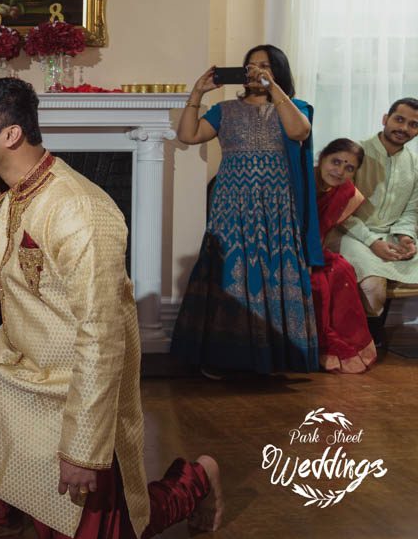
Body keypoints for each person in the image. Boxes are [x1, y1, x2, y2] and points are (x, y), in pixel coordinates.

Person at [0, 77, 222, 539]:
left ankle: (198, 479)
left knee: (116, 530)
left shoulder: (79, 210)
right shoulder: (8, 194)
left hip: (68, 388)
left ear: (10, 135)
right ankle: (0, 512)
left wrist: (83, 449)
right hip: (16, 360)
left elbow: (103, 336)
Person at [170, 45, 323, 375]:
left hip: (276, 209)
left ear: (278, 71)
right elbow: (188, 134)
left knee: (273, 271)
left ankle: (277, 358)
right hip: (232, 207)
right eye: (251, 66)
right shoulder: (225, 110)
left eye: (264, 66)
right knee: (231, 273)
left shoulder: (294, 108)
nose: (256, 71)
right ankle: (224, 358)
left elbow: (299, 131)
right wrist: (197, 93)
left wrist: (273, 88)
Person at [334, 97, 418, 318]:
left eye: (413, 124)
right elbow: (340, 210)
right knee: (374, 289)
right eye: (399, 119)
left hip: (391, 236)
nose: (404, 128)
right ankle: (368, 336)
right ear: (385, 119)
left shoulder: (415, 163)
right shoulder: (354, 154)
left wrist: (405, 237)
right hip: (350, 234)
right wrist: (372, 242)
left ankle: (374, 334)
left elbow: (410, 211)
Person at [311, 139, 377, 373]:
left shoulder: (346, 192)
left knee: (342, 270)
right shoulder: (302, 181)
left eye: (349, 168)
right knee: (317, 284)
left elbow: (322, 232)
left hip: (315, 251)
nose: (340, 171)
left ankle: (348, 343)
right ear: (322, 158)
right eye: (335, 162)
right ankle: (319, 346)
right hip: (287, 250)